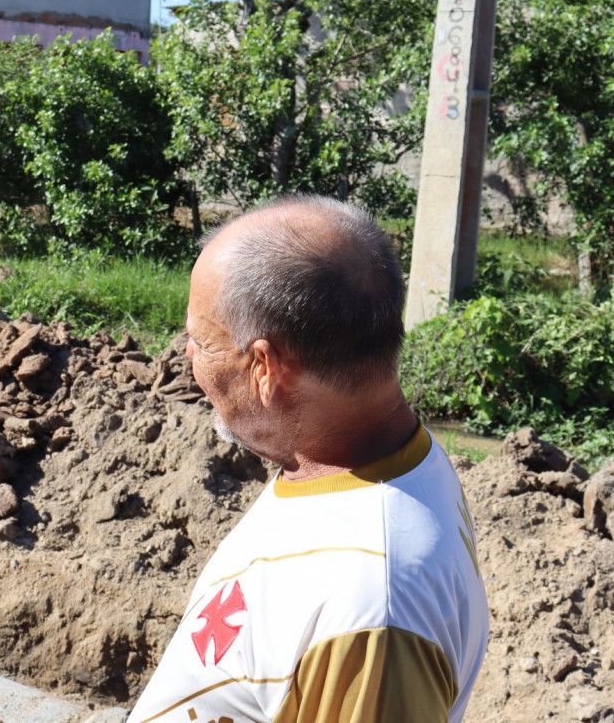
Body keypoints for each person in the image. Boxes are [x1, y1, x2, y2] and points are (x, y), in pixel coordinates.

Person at [129, 195, 488, 723]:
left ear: (264, 367)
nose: (187, 358)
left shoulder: (372, 612)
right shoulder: (375, 461)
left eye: (200, 342)